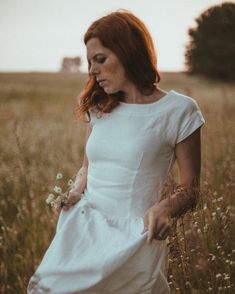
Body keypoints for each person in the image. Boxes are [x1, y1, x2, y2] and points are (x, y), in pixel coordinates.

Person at [27, 9, 205, 294]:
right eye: (88, 62)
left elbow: (191, 189)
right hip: (84, 231)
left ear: (129, 52)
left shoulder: (179, 110)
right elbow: (88, 167)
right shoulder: (100, 108)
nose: (92, 71)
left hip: (133, 241)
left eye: (100, 59)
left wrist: (165, 207)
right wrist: (75, 192)